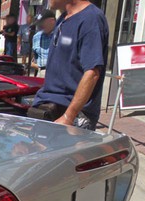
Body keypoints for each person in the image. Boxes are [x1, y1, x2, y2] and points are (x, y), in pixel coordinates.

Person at [29, 0, 108, 129]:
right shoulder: (63, 18)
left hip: (71, 115)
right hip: (50, 107)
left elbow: (92, 73)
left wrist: (68, 116)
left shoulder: (90, 19)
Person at [31, 10, 56, 76]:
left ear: (52, 21)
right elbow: (34, 57)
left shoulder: (60, 35)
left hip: (56, 74)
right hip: (40, 73)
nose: (40, 26)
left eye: (42, 23)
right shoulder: (36, 37)